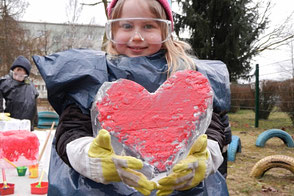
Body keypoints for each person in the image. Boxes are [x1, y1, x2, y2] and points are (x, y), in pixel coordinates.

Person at [33, 0, 231, 195]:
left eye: (148, 26)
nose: (137, 37)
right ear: (111, 31)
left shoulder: (189, 75)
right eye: (126, 26)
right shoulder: (93, 75)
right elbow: (70, 131)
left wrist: (204, 159)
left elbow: (212, 128)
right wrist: (94, 160)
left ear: (166, 31)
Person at [0, 55, 39, 131]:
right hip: (9, 126)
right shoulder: (4, 83)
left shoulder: (30, 86)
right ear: (12, 71)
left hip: (26, 126)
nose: (18, 77)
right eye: (16, 74)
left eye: (21, 76)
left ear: (26, 75)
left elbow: (34, 105)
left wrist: (35, 122)